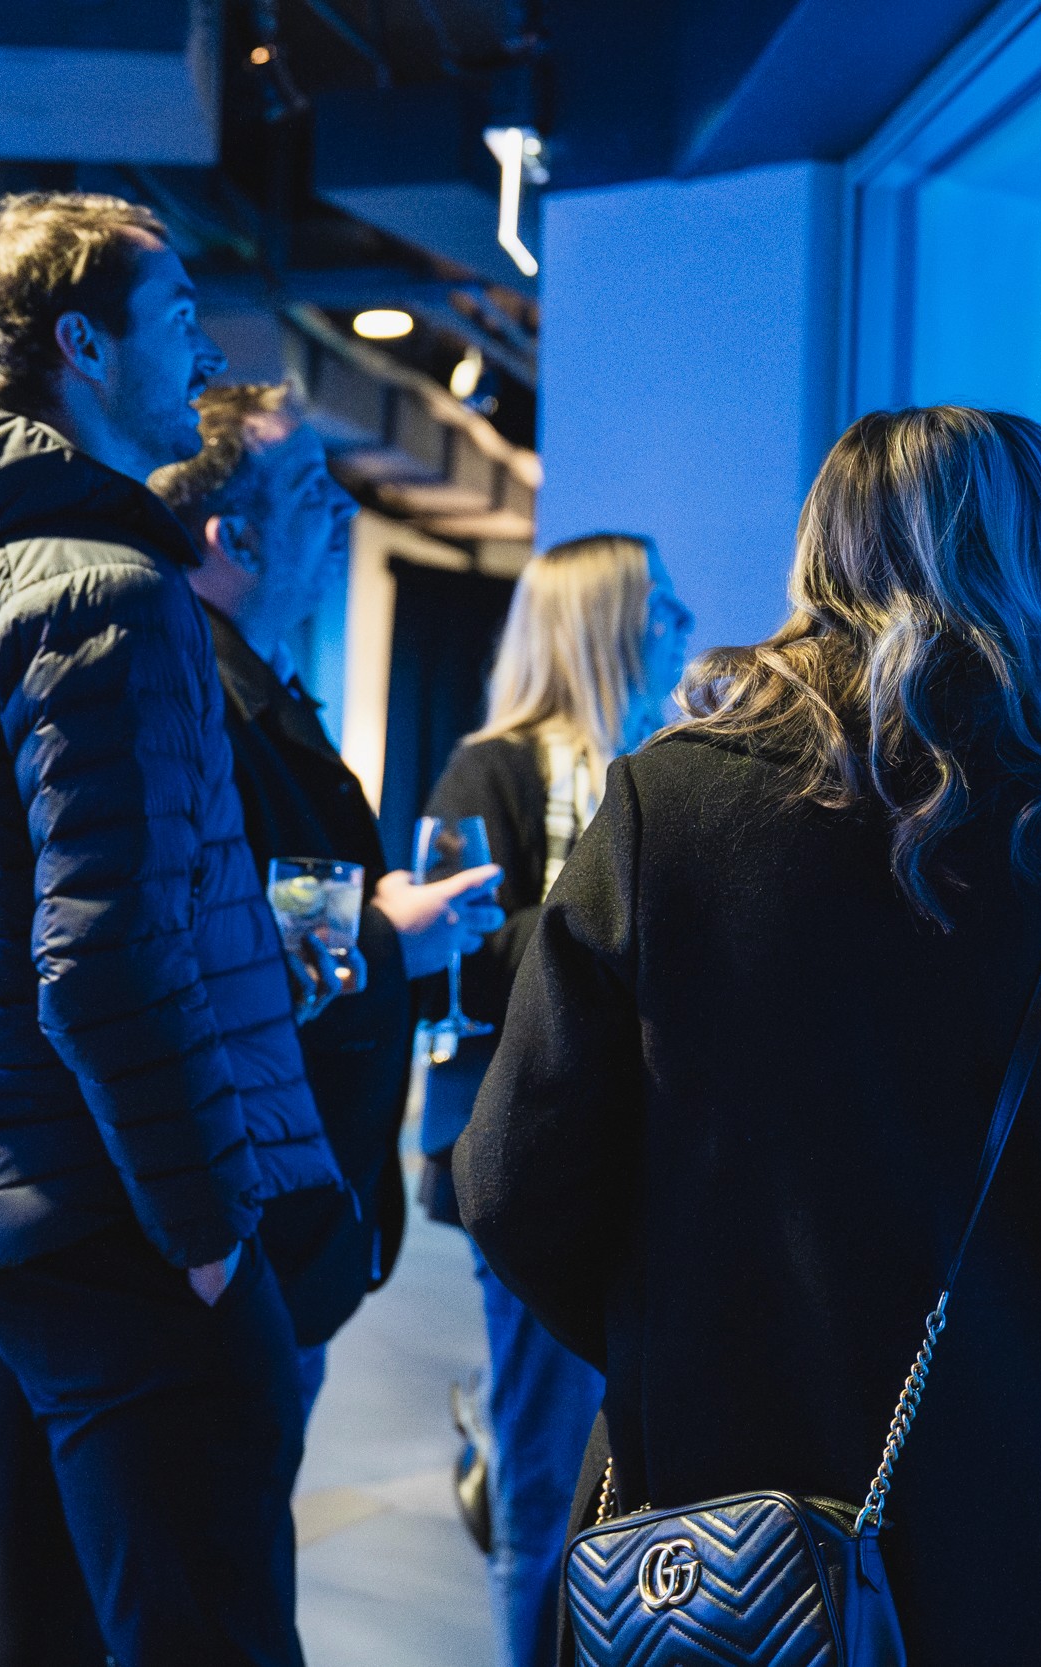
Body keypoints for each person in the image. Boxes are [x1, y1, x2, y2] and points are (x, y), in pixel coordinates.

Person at [457, 406, 1041, 1666]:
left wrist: (690, 1344)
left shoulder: (659, 815)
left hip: (729, 1553)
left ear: (822, 561)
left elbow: (514, 1185)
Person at [0, 192, 336, 1667]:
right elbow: (105, 950)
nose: (203, 348)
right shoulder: (104, 588)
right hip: (107, 1207)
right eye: (175, 314)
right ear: (80, 344)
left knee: (24, 1618)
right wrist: (201, 1236)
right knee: (207, 1625)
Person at [154, 381, 507, 1406]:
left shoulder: (246, 682)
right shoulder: (200, 701)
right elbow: (213, 965)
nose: (345, 511)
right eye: (312, 489)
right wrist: (394, 940)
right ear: (239, 540)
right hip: (241, 1231)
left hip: (279, 1223)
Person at [413, 531, 692, 1667]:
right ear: (605, 624)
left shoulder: (675, 767)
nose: (680, 621)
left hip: (657, 1163)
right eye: (658, 604)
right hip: (535, 1162)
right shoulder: (496, 770)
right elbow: (458, 967)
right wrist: (610, 919)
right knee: (541, 1477)